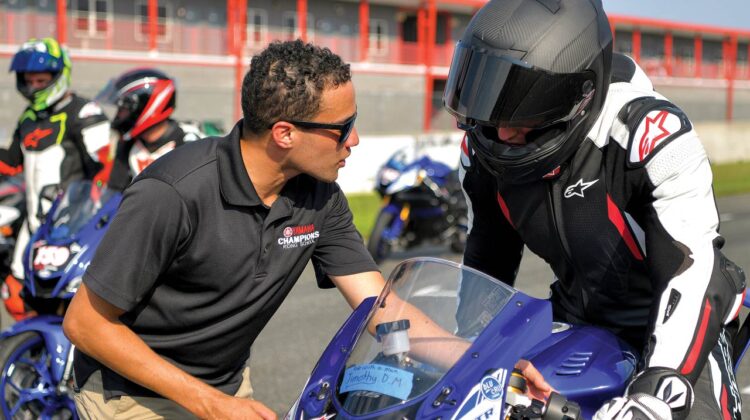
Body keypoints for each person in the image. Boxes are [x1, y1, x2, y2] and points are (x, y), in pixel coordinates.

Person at [62, 40, 463, 420]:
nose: (353, 140)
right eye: (342, 127)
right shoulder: (172, 193)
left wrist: (488, 360)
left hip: (224, 387)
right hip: (132, 394)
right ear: (284, 133)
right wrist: (212, 404)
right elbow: (85, 323)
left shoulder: (319, 196)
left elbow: (382, 308)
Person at [443, 1, 745, 419]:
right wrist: (464, 360)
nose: (501, 129)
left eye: (520, 104)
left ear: (576, 94)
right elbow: (484, 269)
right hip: (576, 318)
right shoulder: (482, 153)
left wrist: (656, 393)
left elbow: (690, 270)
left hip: (676, 324)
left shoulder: (651, 135)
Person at [1, 37, 110, 321]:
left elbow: (106, 170)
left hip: (73, 226)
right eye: (29, 80)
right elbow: (10, 163)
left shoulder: (84, 113)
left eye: (40, 80)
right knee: (16, 298)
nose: (34, 87)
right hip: (35, 225)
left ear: (58, 76)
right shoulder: (28, 118)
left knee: (74, 306)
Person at [95, 67, 201, 191]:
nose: (118, 116)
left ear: (144, 106)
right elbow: (115, 193)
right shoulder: (128, 145)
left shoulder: (189, 142)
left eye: (123, 109)